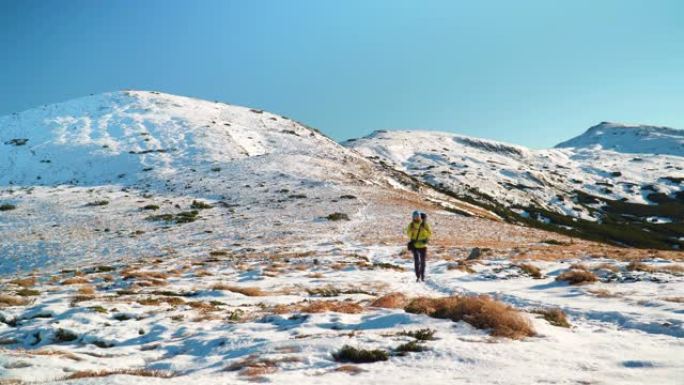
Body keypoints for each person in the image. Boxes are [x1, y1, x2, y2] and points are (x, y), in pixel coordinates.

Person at [405, 210, 432, 282]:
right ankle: (418, 276)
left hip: (423, 245)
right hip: (415, 245)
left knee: (423, 261)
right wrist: (412, 231)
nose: (416, 218)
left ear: (420, 217)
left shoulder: (425, 224)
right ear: (413, 217)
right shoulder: (411, 225)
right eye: (415, 217)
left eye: (417, 217)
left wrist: (423, 230)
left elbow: (429, 234)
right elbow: (408, 234)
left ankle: (422, 276)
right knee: (417, 261)